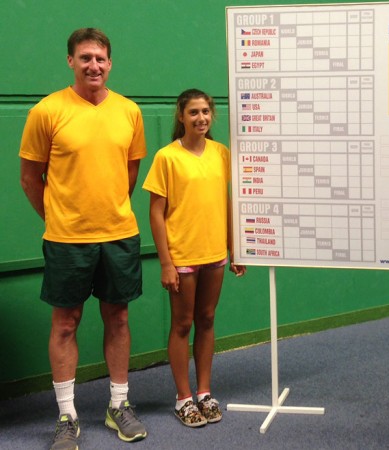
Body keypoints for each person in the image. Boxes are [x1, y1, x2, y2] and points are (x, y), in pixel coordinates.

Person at [18, 28, 148, 449]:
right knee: (65, 324)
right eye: (85, 57)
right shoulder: (46, 111)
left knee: (119, 319)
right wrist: (59, 216)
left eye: (101, 58)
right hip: (66, 239)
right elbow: (29, 177)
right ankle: (67, 416)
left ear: (110, 64)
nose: (94, 65)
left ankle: (118, 405)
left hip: (119, 235)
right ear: (71, 61)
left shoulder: (129, 111)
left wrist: (107, 211)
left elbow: (129, 174)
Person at [143, 88, 247, 428]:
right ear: (181, 116)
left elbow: (228, 202)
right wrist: (166, 262)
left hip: (215, 254)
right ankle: (183, 398)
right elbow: (156, 213)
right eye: (193, 112)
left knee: (206, 319)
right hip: (182, 256)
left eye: (205, 112)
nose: (200, 118)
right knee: (183, 324)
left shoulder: (221, 153)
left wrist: (236, 248)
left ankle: (204, 392)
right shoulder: (167, 157)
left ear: (211, 115)